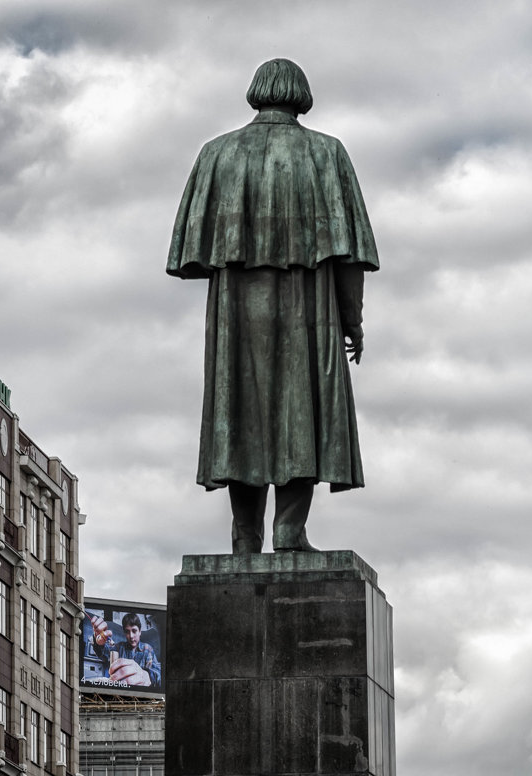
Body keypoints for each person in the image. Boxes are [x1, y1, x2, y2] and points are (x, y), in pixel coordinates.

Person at [166, 58, 379, 553]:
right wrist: (353, 322)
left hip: (236, 312)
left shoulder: (217, 153)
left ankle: (245, 536)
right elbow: (349, 256)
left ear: (257, 91)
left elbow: (192, 246)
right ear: (300, 94)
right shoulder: (326, 153)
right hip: (308, 310)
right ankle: (288, 531)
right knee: (300, 409)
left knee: (238, 411)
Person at [91, 613, 162, 688]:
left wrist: (147, 676)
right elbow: (103, 654)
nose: (131, 636)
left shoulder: (147, 649)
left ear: (140, 632)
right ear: (124, 633)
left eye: (134, 631)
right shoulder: (119, 647)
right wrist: (99, 644)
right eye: (127, 632)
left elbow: (158, 674)